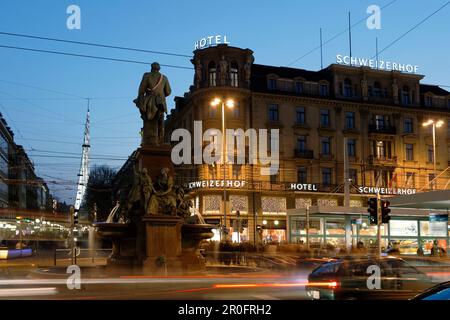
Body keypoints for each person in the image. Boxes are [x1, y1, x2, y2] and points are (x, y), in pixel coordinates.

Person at [134, 62, 171, 145]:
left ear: (151, 68)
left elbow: (141, 90)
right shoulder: (164, 78)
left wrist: (140, 98)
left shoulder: (147, 75)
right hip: (160, 103)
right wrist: (161, 94)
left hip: (149, 102)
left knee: (148, 121)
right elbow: (168, 91)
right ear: (159, 69)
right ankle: (160, 142)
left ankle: (149, 140)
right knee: (160, 122)